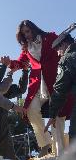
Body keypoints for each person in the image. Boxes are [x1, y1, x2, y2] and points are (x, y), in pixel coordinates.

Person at [10, 20, 73, 157]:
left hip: (56, 82)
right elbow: (20, 62)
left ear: (33, 29)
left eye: (28, 31)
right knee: (31, 109)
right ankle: (44, 143)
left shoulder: (50, 37)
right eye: (23, 33)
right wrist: (9, 63)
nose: (26, 35)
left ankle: (60, 153)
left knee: (56, 117)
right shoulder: (26, 48)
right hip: (38, 85)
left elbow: (63, 46)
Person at [0, 56, 29, 160]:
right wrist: (7, 69)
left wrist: (25, 71)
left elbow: (21, 89)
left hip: (3, 126)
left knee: (10, 156)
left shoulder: (5, 87)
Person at [49, 29, 76, 143]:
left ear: (64, 44)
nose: (59, 54)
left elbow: (60, 89)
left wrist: (53, 114)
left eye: (58, 50)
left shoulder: (67, 59)